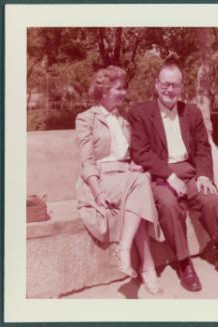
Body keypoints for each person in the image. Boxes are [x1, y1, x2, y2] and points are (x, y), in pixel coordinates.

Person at [129, 62, 218, 292]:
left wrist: (203, 176)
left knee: (210, 199)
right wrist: (169, 176)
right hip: (159, 175)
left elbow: (202, 148)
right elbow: (140, 152)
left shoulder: (192, 112)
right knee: (169, 205)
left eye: (175, 85)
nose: (170, 90)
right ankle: (184, 264)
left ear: (182, 87)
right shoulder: (140, 113)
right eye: (165, 84)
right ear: (156, 85)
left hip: (190, 173)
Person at [75, 66, 162, 295]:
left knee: (139, 185)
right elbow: (87, 161)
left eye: (125, 88)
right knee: (140, 184)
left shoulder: (123, 121)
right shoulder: (86, 119)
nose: (124, 93)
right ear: (103, 90)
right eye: (118, 88)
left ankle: (143, 264)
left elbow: (128, 154)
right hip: (101, 180)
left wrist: (132, 163)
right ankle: (138, 260)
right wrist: (98, 192)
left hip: (126, 177)